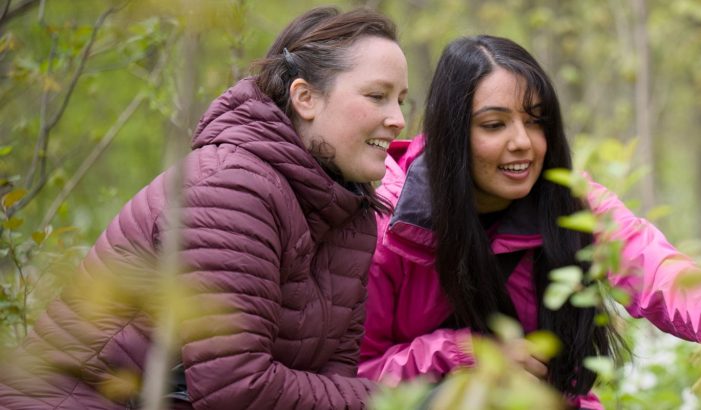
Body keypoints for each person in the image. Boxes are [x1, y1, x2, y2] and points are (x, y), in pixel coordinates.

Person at [357, 35, 701, 408]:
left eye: (536, 122)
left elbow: (649, 262)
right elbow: (356, 380)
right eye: (494, 125)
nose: (522, 143)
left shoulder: (565, 200)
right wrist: (465, 355)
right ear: (453, 133)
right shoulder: (385, 226)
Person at [0, 7, 407, 409]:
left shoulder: (348, 215)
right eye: (377, 96)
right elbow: (235, 388)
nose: (398, 120)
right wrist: (400, 401)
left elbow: (331, 379)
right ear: (305, 98)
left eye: (401, 100)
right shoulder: (234, 189)